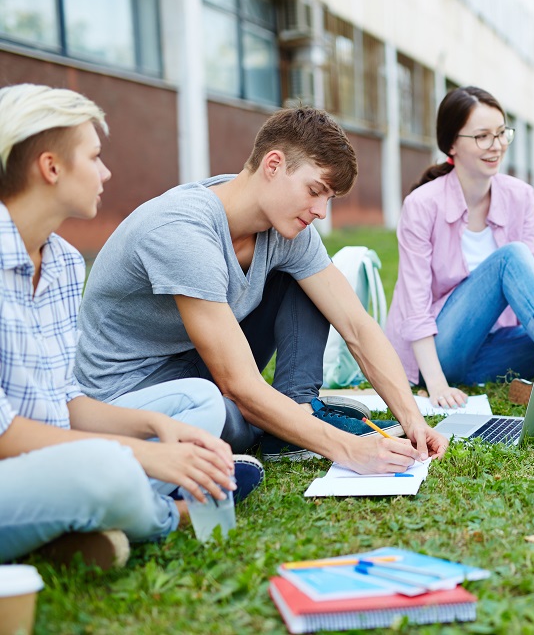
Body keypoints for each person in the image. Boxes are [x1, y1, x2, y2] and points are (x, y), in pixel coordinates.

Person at [74, 107, 448, 471]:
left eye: (329, 199)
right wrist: (349, 450)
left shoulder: (289, 228)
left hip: (198, 363)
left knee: (308, 279)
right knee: (228, 421)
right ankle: (288, 424)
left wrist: (413, 420)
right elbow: (237, 385)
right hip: (133, 392)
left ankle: (295, 409)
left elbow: (357, 326)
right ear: (273, 165)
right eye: (315, 190)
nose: (321, 211)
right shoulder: (183, 230)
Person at [0, 84, 261, 569]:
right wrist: (144, 456)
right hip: (13, 470)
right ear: (51, 167)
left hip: (56, 459)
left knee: (197, 404)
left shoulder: (61, 263)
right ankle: (166, 513)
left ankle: (72, 526)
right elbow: (5, 437)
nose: (106, 172)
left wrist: (155, 427)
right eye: (94, 157)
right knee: (110, 469)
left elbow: (64, 402)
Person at [385, 86, 534, 409]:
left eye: (501, 134)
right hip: (440, 351)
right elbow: (414, 303)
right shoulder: (422, 204)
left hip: (490, 352)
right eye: (482, 136)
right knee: (510, 257)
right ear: (451, 143)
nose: (496, 146)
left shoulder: (520, 197)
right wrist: (437, 384)